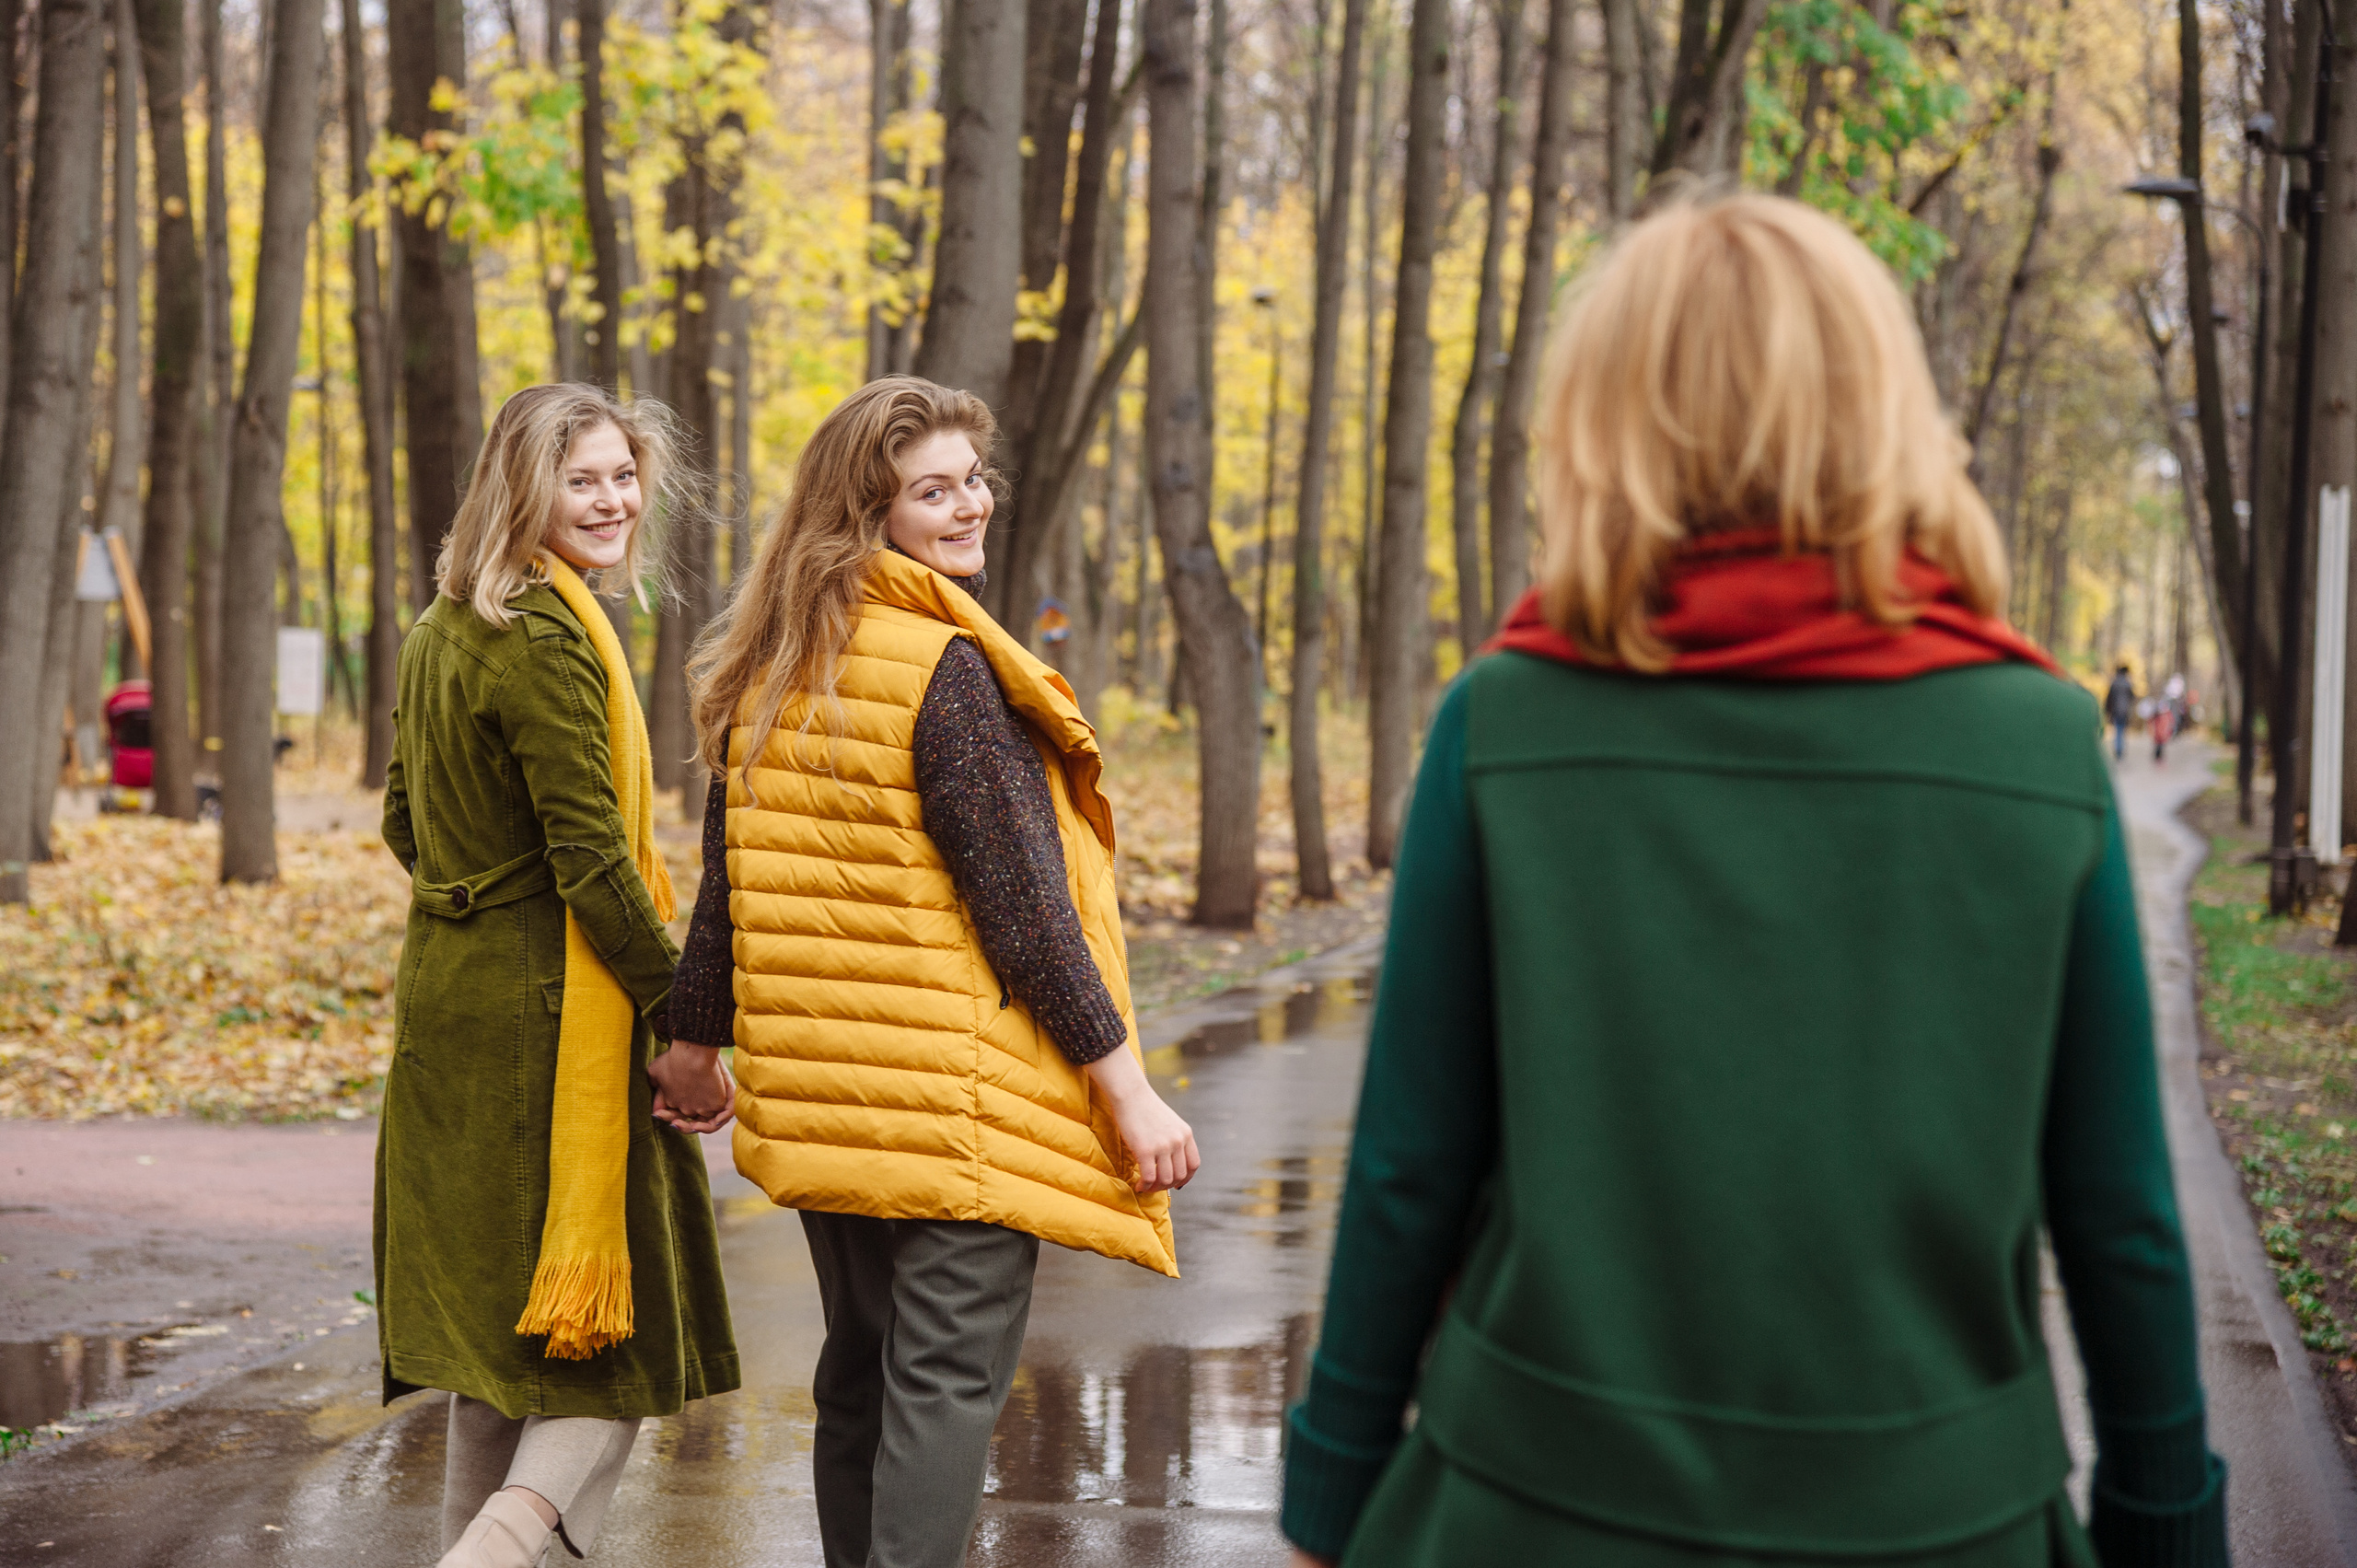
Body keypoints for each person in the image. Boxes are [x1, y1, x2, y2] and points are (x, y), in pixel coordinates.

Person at [1279, 194, 2225, 1567]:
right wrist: (2164, 1522)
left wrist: (1334, 1491)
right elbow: (2119, 1208)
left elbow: (1411, 1165)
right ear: (1885, 410)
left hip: (1534, 1507)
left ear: (1609, 416)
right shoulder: (2036, 739)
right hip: (1937, 1519)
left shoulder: (1508, 720)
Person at [673, 375, 1200, 1568]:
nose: (969, 505)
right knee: (944, 1383)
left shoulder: (774, 658)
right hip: (944, 1104)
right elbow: (1026, 913)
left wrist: (695, 1040)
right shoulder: (945, 669)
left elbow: (727, 881)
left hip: (825, 1092)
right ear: (870, 513)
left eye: (972, 479)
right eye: (933, 490)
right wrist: (1126, 1088)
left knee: (861, 1370)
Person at [379, 385, 740, 1568]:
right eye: (581, 477)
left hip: (450, 1003)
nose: (613, 499)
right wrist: (682, 1016)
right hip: (547, 1021)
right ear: (520, 487)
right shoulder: (543, 632)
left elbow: (403, 821)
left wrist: (477, 897)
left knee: (503, 1348)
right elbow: (591, 858)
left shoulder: (444, 625)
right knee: (608, 1339)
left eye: (623, 475)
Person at [2106, 662, 2137, 761]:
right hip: (2125, 711)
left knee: (2118, 730)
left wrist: (2107, 710)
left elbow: (2109, 698)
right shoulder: (2128, 683)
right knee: (2122, 730)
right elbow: (2132, 698)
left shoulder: (2114, 683)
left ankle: (2118, 749)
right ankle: (2121, 749)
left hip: (2116, 711)